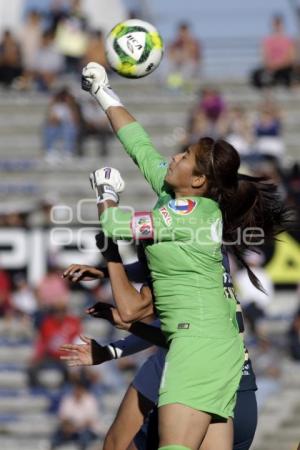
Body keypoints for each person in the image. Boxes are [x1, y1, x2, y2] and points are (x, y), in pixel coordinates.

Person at [77, 62, 289, 450]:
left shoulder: (184, 214)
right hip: (221, 349)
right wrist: (103, 92)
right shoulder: (181, 196)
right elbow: (138, 144)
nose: (174, 156)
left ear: (199, 181)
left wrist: (105, 191)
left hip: (196, 346)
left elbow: (114, 226)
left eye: (185, 156)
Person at [61, 246, 258, 450]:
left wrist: (111, 256)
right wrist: (107, 272)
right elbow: (171, 326)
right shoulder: (209, 254)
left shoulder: (174, 263)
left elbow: (132, 310)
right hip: (240, 385)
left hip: (192, 377)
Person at [50, 379, 99, 450]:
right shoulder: (67, 400)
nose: (77, 391)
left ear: (83, 389)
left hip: (86, 430)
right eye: (76, 388)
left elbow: (89, 421)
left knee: (84, 438)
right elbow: (63, 418)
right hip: (68, 429)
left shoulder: (90, 400)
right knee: (56, 438)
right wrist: (69, 427)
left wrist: (76, 427)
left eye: (79, 388)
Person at [250, 14, 296, 89]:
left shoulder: (289, 40)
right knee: (258, 75)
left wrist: (277, 65)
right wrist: (271, 65)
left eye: (279, 24)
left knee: (290, 74)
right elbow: (265, 57)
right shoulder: (267, 41)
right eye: (275, 24)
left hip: (285, 69)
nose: (277, 27)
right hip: (271, 68)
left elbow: (291, 58)